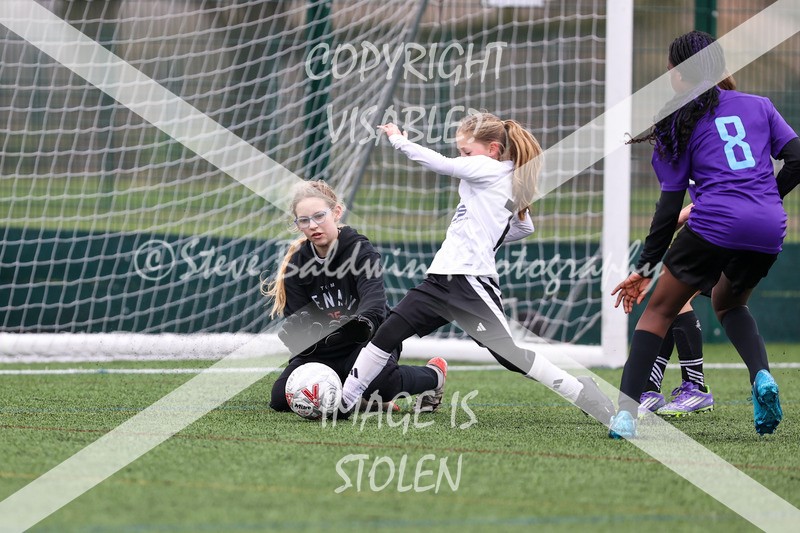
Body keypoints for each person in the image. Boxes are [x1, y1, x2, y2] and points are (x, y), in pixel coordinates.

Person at [338, 112, 615, 423]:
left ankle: (583, 391)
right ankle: (346, 401)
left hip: (469, 282)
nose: (462, 158)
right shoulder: (505, 179)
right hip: (440, 280)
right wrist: (489, 233)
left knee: (509, 356)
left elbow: (441, 164)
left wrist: (398, 139)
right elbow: (525, 227)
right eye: (461, 152)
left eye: (466, 151)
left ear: (493, 149)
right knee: (386, 334)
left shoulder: (489, 169)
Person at [610, 30, 800, 439]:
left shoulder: (678, 119)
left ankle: (624, 416)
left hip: (714, 222)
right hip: (769, 225)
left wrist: (644, 269)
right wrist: (767, 196)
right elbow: (797, 158)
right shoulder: (759, 105)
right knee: (728, 303)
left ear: (678, 75)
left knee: (659, 311)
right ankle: (762, 376)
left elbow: (666, 209)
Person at [263, 179, 445, 414]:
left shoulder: (359, 250)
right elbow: (300, 317)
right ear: (297, 224)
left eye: (320, 216)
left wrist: (362, 323)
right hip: (325, 350)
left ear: (336, 212)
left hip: (367, 343)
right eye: (304, 220)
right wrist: (303, 338)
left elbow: (375, 302)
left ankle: (434, 375)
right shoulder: (296, 264)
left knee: (380, 385)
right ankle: (361, 400)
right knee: (281, 399)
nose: (313, 226)